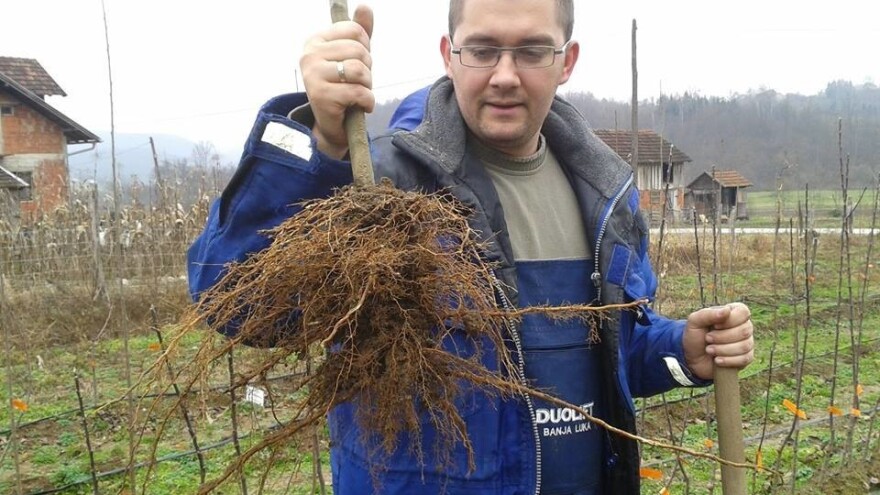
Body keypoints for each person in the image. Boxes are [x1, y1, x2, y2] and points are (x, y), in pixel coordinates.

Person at [187, 0, 755, 493]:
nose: (505, 74)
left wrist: (679, 349)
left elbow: (606, 349)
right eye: (482, 50)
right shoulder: (376, 185)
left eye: (533, 51)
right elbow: (235, 303)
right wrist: (320, 140)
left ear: (567, 61)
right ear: (447, 54)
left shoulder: (606, 193)